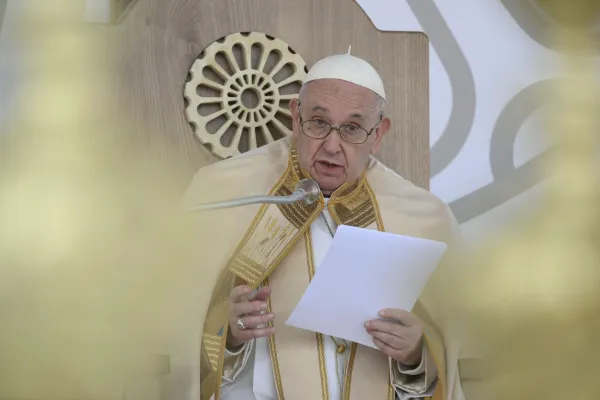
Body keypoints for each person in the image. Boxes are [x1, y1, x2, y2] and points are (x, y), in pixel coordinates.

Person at [182, 51, 464, 400]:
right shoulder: (224, 193)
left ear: (378, 134)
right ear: (295, 118)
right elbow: (176, 337)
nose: (332, 145)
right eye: (318, 122)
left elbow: (446, 360)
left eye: (352, 129)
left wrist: (414, 355)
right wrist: (230, 335)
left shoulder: (424, 217)